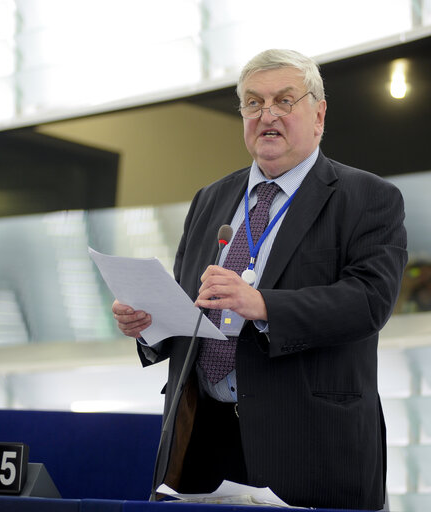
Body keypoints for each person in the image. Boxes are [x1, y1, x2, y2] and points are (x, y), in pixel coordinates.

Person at [112, 49, 407, 510]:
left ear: (319, 114)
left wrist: (263, 305)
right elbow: (191, 308)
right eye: (253, 103)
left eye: (285, 101)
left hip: (307, 444)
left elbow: (370, 301)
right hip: (201, 440)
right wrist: (148, 325)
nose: (267, 114)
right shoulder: (210, 200)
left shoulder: (367, 197)